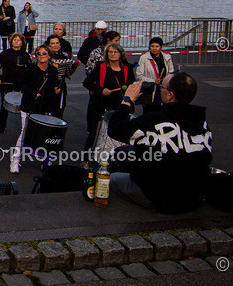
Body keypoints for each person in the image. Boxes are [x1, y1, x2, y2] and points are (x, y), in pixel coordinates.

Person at [107, 73, 212, 213]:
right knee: (127, 152)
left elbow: (115, 128)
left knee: (110, 178)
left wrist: (127, 100)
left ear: (170, 95)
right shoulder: (203, 124)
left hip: (159, 195)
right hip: (193, 194)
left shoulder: (154, 120)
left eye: (162, 87)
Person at [10, 44, 60, 173]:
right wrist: (33, 93)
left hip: (45, 106)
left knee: (46, 135)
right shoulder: (30, 68)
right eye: (39, 53)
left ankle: (46, 161)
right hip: (29, 106)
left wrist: (56, 90)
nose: (41, 56)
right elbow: (20, 84)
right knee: (24, 132)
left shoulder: (53, 71)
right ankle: (15, 160)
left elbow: (54, 86)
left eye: (44, 53)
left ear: (49, 55)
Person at [83, 42, 135, 151]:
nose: (112, 54)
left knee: (119, 135)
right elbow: (87, 82)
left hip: (120, 106)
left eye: (115, 52)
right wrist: (101, 90)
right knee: (95, 133)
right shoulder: (100, 67)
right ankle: (86, 159)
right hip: (101, 105)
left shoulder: (127, 68)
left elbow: (132, 85)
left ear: (120, 54)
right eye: (110, 52)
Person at [0, 32, 30, 133]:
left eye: (18, 40)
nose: (16, 41)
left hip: (20, 82)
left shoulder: (25, 54)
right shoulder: (5, 53)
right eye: (14, 39)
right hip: (6, 82)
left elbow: (29, 69)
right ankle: (2, 126)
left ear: (22, 42)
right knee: (4, 105)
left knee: (23, 105)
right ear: (11, 42)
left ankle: (24, 127)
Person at [135, 37, 175, 112]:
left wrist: (165, 80)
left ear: (161, 47)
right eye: (152, 46)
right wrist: (153, 81)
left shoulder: (167, 58)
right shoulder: (144, 58)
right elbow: (139, 76)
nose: (154, 48)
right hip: (149, 91)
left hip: (163, 89)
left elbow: (171, 73)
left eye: (157, 46)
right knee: (148, 113)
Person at [46, 35, 78, 119]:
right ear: (48, 45)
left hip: (61, 85)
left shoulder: (65, 56)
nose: (55, 45)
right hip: (48, 86)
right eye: (52, 43)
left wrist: (74, 67)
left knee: (59, 109)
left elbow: (68, 73)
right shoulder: (45, 57)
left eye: (57, 43)